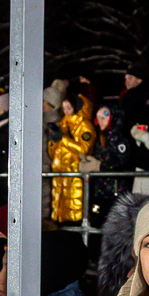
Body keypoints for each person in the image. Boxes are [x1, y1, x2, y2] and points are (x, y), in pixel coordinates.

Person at [49, 93, 96, 223]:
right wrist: (53, 143)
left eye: (69, 107)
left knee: (75, 216)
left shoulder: (85, 126)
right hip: (60, 178)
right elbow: (53, 154)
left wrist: (63, 139)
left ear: (77, 107)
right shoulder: (63, 125)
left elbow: (83, 149)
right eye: (64, 108)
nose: (66, 111)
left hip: (76, 177)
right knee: (60, 220)